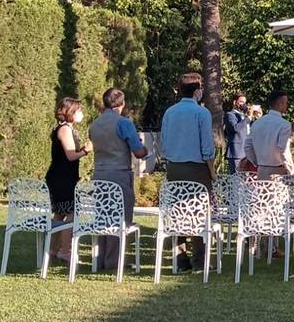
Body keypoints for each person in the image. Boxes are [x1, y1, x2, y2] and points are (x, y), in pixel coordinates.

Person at [160, 72, 216, 271]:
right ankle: (199, 261)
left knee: (177, 212)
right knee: (199, 213)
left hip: (174, 167)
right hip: (197, 167)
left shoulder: (170, 112)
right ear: (198, 90)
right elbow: (207, 147)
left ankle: (180, 258)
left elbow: (164, 143)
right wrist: (212, 171)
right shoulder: (202, 113)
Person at [90, 88, 148, 272]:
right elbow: (138, 151)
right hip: (119, 173)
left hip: (99, 173)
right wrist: (145, 149)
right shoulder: (123, 123)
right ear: (121, 104)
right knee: (119, 218)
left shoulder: (95, 124)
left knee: (102, 217)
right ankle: (114, 261)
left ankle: (98, 259)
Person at [45, 98, 90, 263]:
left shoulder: (69, 129)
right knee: (70, 213)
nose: (81, 114)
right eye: (78, 110)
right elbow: (71, 155)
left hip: (65, 177)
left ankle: (52, 249)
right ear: (70, 112)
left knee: (60, 213)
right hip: (61, 178)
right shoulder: (64, 129)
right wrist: (86, 150)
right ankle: (65, 250)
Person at [244, 90, 294, 180]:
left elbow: (248, 146)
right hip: (278, 171)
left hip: (261, 169)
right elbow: (284, 149)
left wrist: (256, 162)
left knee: (262, 194)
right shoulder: (284, 124)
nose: (287, 105)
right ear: (280, 104)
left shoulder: (257, 123)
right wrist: (290, 170)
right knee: (278, 194)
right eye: (286, 103)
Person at [223, 92, 250, 173]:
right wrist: (249, 118)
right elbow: (235, 128)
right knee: (236, 180)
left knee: (246, 181)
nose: (243, 105)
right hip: (236, 153)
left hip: (247, 153)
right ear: (235, 102)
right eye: (241, 102)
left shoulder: (245, 116)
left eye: (245, 102)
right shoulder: (230, 115)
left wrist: (258, 118)